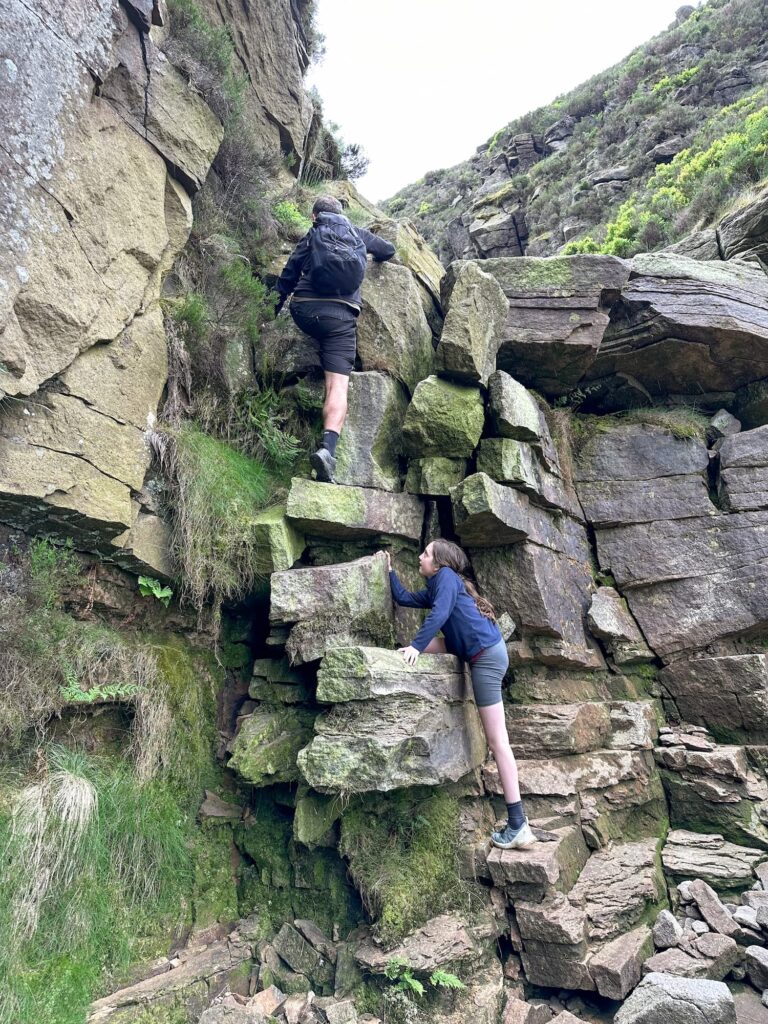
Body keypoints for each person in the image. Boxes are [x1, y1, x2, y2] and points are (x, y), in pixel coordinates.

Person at [380, 540, 537, 851]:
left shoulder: (446, 580)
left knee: (498, 742)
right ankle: (518, 823)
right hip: (473, 649)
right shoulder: (438, 584)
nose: (421, 557)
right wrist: (388, 572)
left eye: (426, 553)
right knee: (413, 650)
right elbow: (404, 598)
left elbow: (438, 616)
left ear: (438, 564)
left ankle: (518, 823)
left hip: (485, 656)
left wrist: (415, 645)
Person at [274, 196, 396, 484]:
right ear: (342, 214)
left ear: (314, 216)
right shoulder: (357, 233)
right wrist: (372, 256)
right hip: (341, 319)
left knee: (315, 327)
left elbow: (288, 276)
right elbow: (388, 250)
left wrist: (270, 311)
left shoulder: (312, 235)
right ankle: (327, 450)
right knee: (338, 385)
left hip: (305, 311)